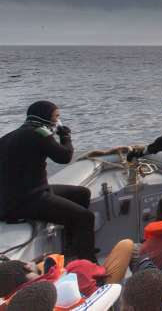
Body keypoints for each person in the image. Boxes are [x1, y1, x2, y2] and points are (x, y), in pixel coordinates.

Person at [0, 101, 96, 260]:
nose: (58, 120)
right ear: (45, 117)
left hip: (14, 198)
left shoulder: (8, 136)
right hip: (28, 200)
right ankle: (86, 260)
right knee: (85, 217)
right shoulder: (40, 133)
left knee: (82, 193)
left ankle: (72, 248)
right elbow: (64, 157)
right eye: (56, 116)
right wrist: (65, 137)